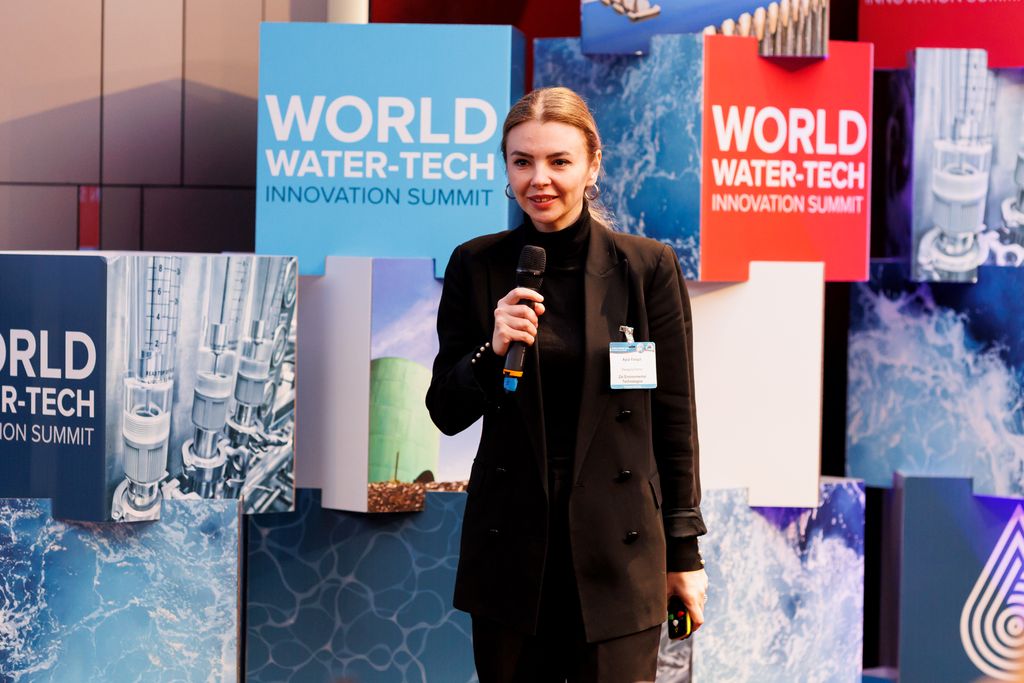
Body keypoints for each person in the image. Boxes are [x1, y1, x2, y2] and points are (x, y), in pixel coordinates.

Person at [426, 86, 707, 682]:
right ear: (506, 168)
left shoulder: (646, 268)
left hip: (619, 555)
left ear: (592, 164)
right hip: (511, 557)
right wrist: (491, 349)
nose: (540, 179)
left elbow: (675, 421)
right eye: (522, 161)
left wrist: (684, 553)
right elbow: (445, 410)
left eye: (559, 161)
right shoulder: (476, 264)